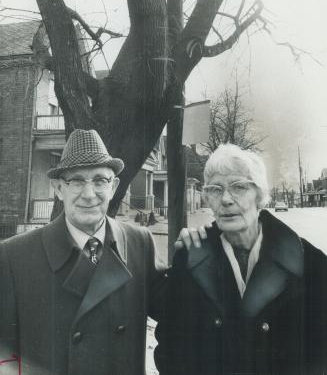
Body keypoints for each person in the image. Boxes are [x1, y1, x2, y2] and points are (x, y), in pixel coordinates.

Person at [0, 129, 166, 375]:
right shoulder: (14, 256)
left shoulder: (139, 243)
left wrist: (198, 251)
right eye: (76, 181)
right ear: (58, 189)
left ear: (114, 187)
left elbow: (181, 315)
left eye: (100, 180)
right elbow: (5, 354)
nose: (89, 194)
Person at [155, 143, 327, 375]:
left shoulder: (310, 262)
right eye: (215, 189)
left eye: (238, 187)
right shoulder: (189, 258)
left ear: (260, 196)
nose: (226, 199)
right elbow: (170, 346)